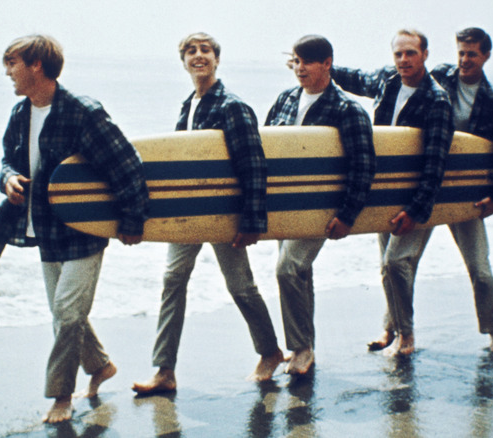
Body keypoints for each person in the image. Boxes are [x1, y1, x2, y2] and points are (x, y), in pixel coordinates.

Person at [0, 35, 149, 423]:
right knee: (63, 314)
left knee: (68, 311)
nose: (7, 71)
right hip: (45, 228)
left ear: (36, 65)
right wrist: (7, 179)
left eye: (12, 63)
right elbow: (8, 161)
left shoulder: (82, 112)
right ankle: (100, 366)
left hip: (85, 228)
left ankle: (61, 395)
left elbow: (126, 164)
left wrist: (132, 220)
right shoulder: (20, 114)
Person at [132, 32, 284, 395]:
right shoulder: (189, 106)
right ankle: (164, 371)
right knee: (173, 280)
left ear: (217, 59)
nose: (198, 56)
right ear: (183, 61)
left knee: (240, 286)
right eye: (190, 51)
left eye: (205, 50)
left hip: (223, 215)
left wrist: (251, 222)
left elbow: (253, 165)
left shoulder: (232, 106)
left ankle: (271, 352)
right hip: (189, 214)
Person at [331, 29, 454, 356]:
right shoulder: (388, 80)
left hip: (418, 198)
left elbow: (436, 164)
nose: (403, 60)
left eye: (410, 53)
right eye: (398, 54)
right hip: (386, 193)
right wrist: (321, 67)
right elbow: (356, 79)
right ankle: (390, 327)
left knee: (395, 263)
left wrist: (415, 210)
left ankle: (407, 335)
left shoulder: (437, 100)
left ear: (425, 54)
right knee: (389, 265)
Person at [266, 35, 376, 374]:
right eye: (296, 61)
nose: (299, 68)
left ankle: (299, 348)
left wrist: (347, 215)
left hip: (322, 208)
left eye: (307, 62)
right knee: (300, 273)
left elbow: (364, 165)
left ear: (327, 63)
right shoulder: (286, 99)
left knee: (287, 269)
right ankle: (306, 347)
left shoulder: (347, 110)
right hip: (286, 205)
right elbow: (267, 145)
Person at [429, 27, 493, 350]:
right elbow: (387, 80)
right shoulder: (439, 78)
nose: (464, 59)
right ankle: (398, 332)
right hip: (425, 190)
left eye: (472, 54)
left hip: (464, 196)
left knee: (480, 270)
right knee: (399, 263)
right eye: (461, 52)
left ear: (486, 56)